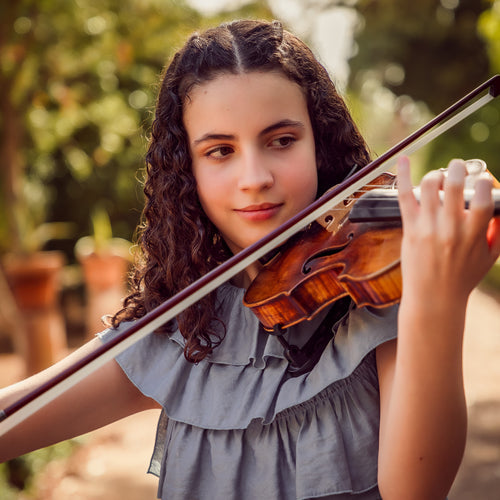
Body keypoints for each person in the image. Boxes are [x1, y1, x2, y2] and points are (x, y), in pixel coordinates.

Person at [1, 19, 499, 500]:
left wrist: (439, 301)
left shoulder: (374, 296)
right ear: (186, 171)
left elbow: (415, 490)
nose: (255, 177)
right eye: (220, 150)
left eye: (282, 141)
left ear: (318, 144)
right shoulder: (184, 330)